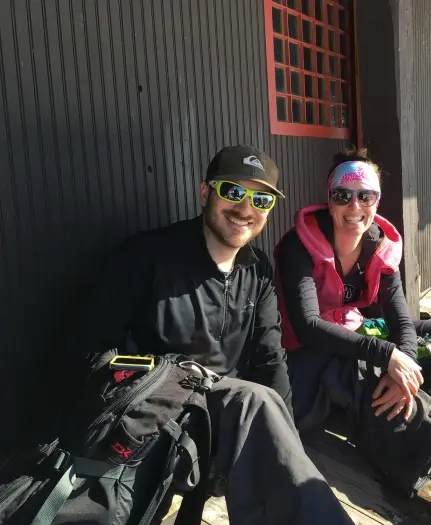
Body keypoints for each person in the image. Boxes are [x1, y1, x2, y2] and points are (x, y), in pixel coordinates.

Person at [64, 145, 353, 525]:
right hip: (155, 422)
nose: (246, 209)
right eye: (233, 192)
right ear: (206, 193)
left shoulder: (258, 270)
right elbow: (91, 354)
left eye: (261, 199)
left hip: (223, 425)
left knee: (279, 398)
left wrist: (288, 442)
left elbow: (271, 359)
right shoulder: (145, 256)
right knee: (253, 401)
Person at [274, 148, 431, 524]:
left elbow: (400, 318)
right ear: (329, 200)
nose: (354, 206)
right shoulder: (298, 245)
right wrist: (387, 357)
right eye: (342, 195)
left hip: (352, 329)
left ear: (377, 200)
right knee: (363, 370)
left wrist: (405, 368)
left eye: (365, 195)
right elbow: (307, 325)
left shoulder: (379, 247)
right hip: (301, 354)